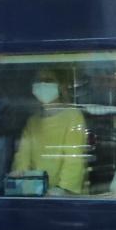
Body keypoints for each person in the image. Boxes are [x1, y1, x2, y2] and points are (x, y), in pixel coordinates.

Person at [10, 68, 91, 196]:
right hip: (36, 191)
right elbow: (23, 154)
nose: (43, 85)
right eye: (39, 81)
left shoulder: (73, 116)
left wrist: (62, 189)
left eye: (48, 80)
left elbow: (74, 157)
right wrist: (20, 173)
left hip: (64, 196)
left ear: (61, 86)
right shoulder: (33, 121)